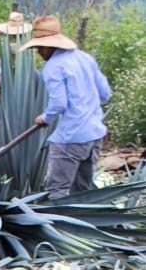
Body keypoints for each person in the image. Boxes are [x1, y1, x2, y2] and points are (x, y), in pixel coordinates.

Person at [20, 15, 111, 199]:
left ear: (48, 46)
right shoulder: (85, 58)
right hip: (94, 135)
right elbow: (105, 93)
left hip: (70, 137)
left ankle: (59, 227)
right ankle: (83, 225)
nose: (38, 52)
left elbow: (59, 103)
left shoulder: (53, 67)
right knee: (82, 190)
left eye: (39, 47)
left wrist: (45, 118)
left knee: (57, 191)